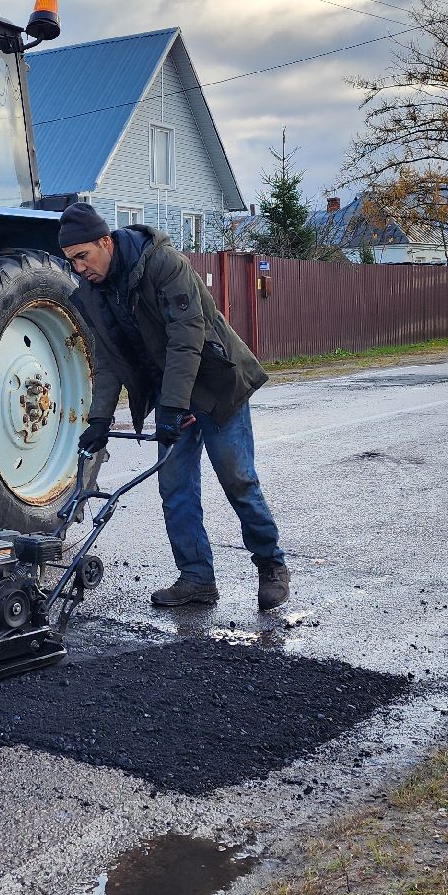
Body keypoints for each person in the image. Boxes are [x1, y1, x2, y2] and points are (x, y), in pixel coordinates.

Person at [59, 201, 292, 610]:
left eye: (82, 256)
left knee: (238, 479)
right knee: (175, 488)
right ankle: (197, 578)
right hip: (174, 396)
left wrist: (170, 407)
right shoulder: (95, 294)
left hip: (217, 385)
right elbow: (112, 360)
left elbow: (189, 339)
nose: (79, 268)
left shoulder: (165, 264)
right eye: (71, 261)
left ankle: (271, 564)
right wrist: (99, 419)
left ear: (104, 241)